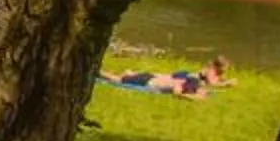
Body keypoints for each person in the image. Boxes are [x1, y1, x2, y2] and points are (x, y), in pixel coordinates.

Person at [98, 53, 232, 99]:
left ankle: (128, 73)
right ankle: (97, 72)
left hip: (152, 77)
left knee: (123, 78)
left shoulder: (190, 79)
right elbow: (177, 92)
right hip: (148, 81)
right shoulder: (192, 81)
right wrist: (193, 97)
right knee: (116, 79)